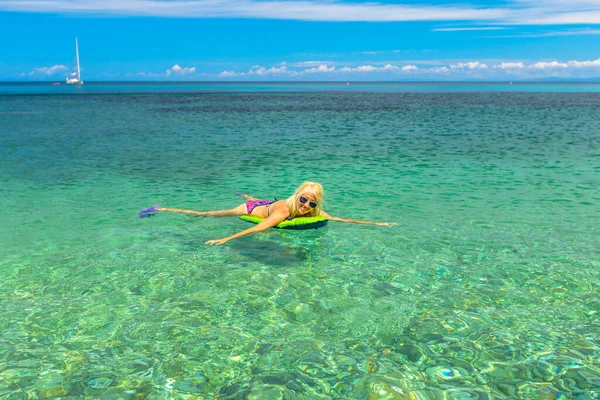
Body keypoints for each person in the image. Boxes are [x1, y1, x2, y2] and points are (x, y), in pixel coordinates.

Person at [140, 182, 396, 246]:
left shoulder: (314, 210)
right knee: (205, 214)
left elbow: (339, 219)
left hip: (266, 202)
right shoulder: (286, 209)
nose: (307, 206)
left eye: (312, 203)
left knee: (260, 199)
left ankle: (249, 194)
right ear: (297, 196)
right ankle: (161, 208)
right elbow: (258, 228)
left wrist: (377, 223)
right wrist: (225, 240)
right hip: (255, 211)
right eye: (303, 199)